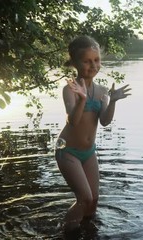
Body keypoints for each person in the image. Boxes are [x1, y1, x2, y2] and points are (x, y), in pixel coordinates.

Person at [55, 35, 131, 233]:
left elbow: (105, 121)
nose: (93, 65)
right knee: (85, 198)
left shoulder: (102, 91)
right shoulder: (70, 90)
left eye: (96, 60)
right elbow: (73, 121)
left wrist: (112, 101)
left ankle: (88, 231)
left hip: (89, 152)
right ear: (75, 63)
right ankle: (66, 231)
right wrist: (81, 99)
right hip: (68, 151)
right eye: (87, 61)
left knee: (94, 200)